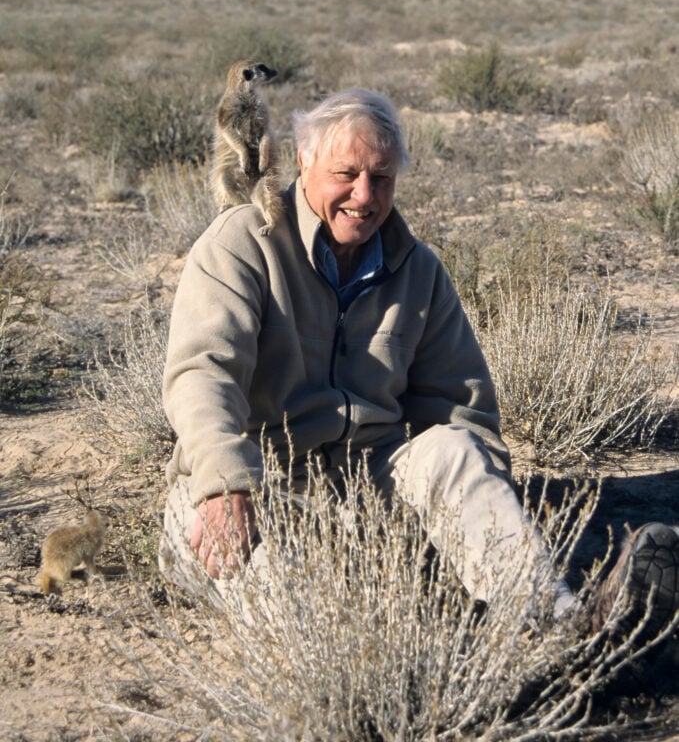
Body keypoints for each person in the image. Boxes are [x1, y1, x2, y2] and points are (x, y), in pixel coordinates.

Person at [159, 88, 679, 636]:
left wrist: (480, 517)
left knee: (455, 449)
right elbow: (202, 374)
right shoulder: (243, 243)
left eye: (381, 178)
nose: (364, 195)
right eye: (346, 174)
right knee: (315, 630)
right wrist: (224, 483)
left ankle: (555, 627)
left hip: (367, 491)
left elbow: (463, 411)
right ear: (303, 162)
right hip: (252, 489)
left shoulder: (418, 270)